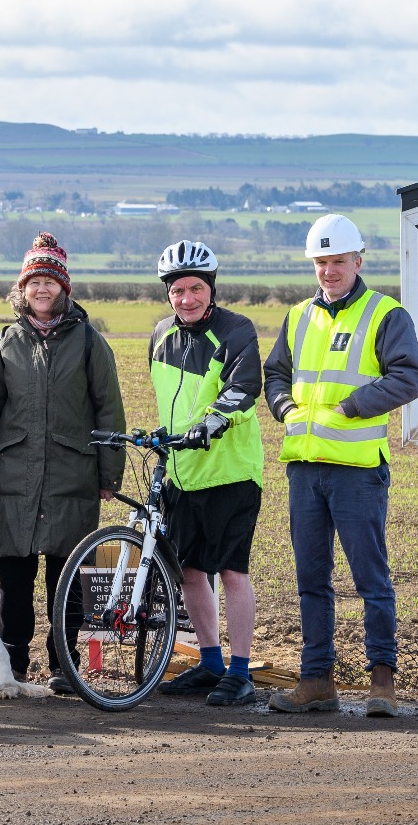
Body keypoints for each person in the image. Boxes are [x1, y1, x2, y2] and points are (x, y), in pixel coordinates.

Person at [264, 213, 418, 718]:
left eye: (337, 261)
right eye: (321, 263)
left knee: (370, 579)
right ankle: (317, 681)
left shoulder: (385, 314)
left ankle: (383, 681)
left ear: (358, 261)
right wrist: (284, 408)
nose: (329, 271)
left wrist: (354, 406)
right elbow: (275, 375)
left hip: (357, 470)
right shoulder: (297, 317)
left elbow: (408, 377)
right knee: (311, 580)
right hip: (306, 469)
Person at [0, 232, 125, 688]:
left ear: (65, 288)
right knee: (14, 577)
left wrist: (109, 472)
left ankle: (65, 663)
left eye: (50, 281)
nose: (41, 290)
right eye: (33, 282)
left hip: (71, 473)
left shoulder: (88, 342)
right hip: (15, 474)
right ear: (21, 289)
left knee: (68, 574)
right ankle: (13, 663)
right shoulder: (6, 342)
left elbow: (109, 409)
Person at [147, 240, 266, 708]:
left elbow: (243, 388)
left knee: (232, 572)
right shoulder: (159, 335)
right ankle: (211, 662)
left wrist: (210, 425)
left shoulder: (236, 331)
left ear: (211, 289)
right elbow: (170, 403)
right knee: (191, 573)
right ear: (168, 294)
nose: (187, 299)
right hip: (183, 473)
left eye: (196, 288)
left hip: (230, 472)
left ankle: (240, 672)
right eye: (178, 290)